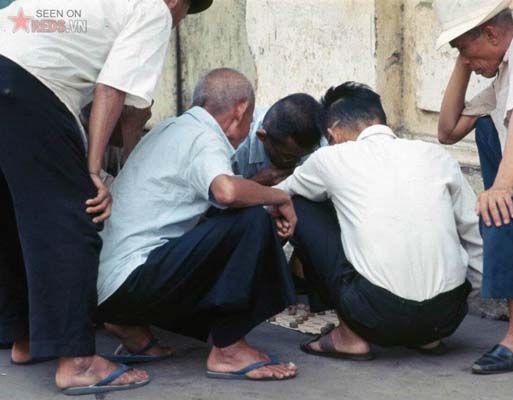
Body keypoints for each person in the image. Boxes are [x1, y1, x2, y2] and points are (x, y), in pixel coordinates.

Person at [0, 0, 213, 395]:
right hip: (32, 85)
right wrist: (94, 170)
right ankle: (77, 362)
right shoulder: (154, 10)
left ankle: (26, 337)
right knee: (76, 216)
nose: (178, 22)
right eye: (185, 13)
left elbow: (130, 114)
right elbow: (112, 89)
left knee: (16, 215)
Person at [96, 68, 298, 382]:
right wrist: (278, 197)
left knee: (228, 218)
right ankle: (229, 348)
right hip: (132, 279)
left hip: (107, 288)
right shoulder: (205, 137)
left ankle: (131, 329)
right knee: (251, 220)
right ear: (240, 110)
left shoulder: (172, 128)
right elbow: (227, 191)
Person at [276, 82, 482, 360]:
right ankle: (426, 338)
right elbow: (473, 231)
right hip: (447, 316)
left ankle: (349, 336)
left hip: (375, 313)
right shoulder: (437, 156)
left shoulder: (331, 157)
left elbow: (274, 196)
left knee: (296, 203)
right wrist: (469, 292)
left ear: (333, 131)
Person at [434, 0, 513, 374]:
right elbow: (447, 130)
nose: (468, 62)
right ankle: (503, 216)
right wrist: (463, 58)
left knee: (499, 213)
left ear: (491, 33)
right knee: (487, 125)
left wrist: (501, 189)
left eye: (465, 49)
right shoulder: (504, 76)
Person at [232, 94, 324, 186]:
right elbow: (221, 195)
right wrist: (255, 183)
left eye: (302, 156)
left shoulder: (323, 145)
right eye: (288, 156)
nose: (295, 162)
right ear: (262, 137)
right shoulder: (235, 145)